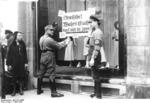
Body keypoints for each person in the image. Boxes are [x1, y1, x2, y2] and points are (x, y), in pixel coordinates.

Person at [37, 24, 69, 97]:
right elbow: (58, 46)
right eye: (51, 30)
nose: (53, 31)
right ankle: (54, 92)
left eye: (53, 30)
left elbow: (55, 44)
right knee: (51, 73)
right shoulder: (49, 39)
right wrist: (66, 43)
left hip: (42, 56)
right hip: (49, 56)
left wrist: (63, 41)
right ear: (47, 30)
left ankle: (38, 90)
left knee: (41, 73)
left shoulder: (41, 38)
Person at [88, 14, 105, 99]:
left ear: (95, 22)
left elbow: (97, 47)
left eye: (91, 22)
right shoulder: (94, 32)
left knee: (96, 75)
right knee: (94, 75)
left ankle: (99, 95)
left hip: (95, 56)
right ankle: (95, 93)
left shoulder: (98, 32)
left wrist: (92, 59)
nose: (90, 24)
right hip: (93, 55)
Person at [6, 31, 28, 96]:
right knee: (14, 78)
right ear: (16, 36)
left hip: (21, 63)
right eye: (19, 35)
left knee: (21, 77)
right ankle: (14, 90)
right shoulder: (12, 44)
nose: (20, 37)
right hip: (14, 63)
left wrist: (26, 62)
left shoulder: (23, 43)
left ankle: (21, 90)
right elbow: (9, 55)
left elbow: (25, 54)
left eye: (21, 35)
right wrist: (9, 64)